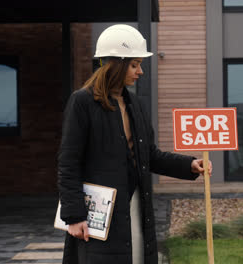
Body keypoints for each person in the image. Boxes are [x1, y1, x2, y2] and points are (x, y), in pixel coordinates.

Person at [57, 24, 211, 264]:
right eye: (134, 64)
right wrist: (74, 216)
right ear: (115, 64)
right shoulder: (82, 102)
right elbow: (68, 163)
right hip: (98, 215)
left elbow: (149, 155)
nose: (140, 71)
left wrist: (190, 164)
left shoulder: (136, 105)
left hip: (136, 205)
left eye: (140, 64)